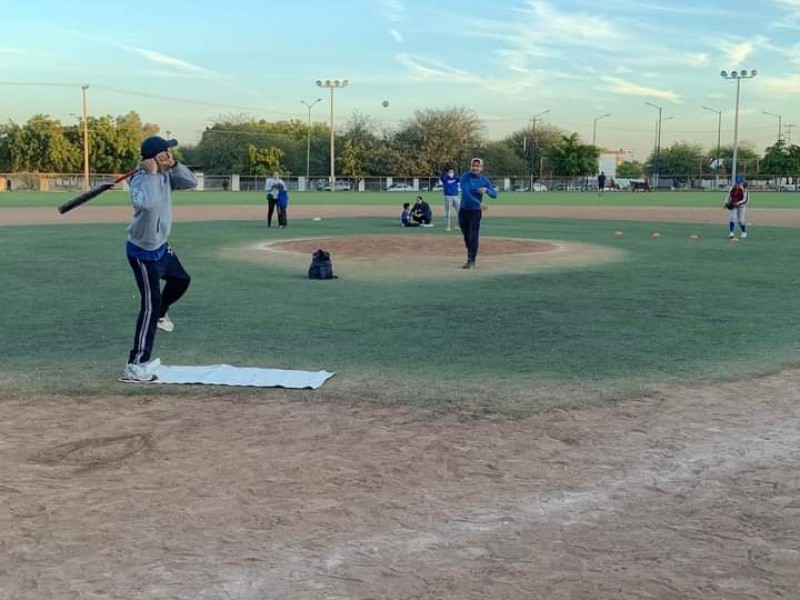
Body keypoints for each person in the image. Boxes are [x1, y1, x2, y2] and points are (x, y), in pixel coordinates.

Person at [120, 135, 197, 383]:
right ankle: (136, 364)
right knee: (149, 306)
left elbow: (191, 181)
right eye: (166, 152)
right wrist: (151, 174)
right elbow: (149, 206)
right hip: (142, 252)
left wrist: (172, 167)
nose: (170, 154)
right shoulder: (140, 180)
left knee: (181, 280)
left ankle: (162, 313)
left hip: (161, 246)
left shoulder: (167, 174)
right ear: (155, 156)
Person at [458, 157, 497, 269]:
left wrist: (487, 190)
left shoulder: (484, 180)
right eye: (473, 165)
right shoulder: (465, 177)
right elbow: (466, 193)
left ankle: (471, 260)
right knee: (466, 235)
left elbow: (494, 195)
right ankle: (471, 252)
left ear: (481, 168)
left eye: (477, 166)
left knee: (474, 235)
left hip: (475, 212)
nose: (475, 168)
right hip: (464, 210)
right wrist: (478, 204)